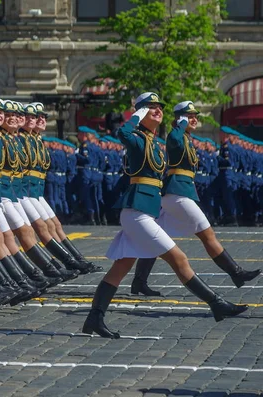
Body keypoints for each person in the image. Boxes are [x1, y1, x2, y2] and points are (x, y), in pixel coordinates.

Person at [82, 92, 248, 339]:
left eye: (159, 106)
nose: (158, 110)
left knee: (120, 268)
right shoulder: (137, 139)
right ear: (139, 113)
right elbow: (122, 134)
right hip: (136, 212)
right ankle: (216, 303)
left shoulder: (153, 142)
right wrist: (136, 116)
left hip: (144, 210)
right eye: (151, 107)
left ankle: (94, 319)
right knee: (178, 258)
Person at [130, 101, 261, 296]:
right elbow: (173, 137)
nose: (194, 120)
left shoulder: (186, 137)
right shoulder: (176, 135)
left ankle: (139, 281)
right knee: (207, 234)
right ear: (180, 118)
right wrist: (181, 123)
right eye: (189, 116)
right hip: (177, 193)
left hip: (180, 192)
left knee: (157, 239)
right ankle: (236, 273)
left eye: (195, 116)